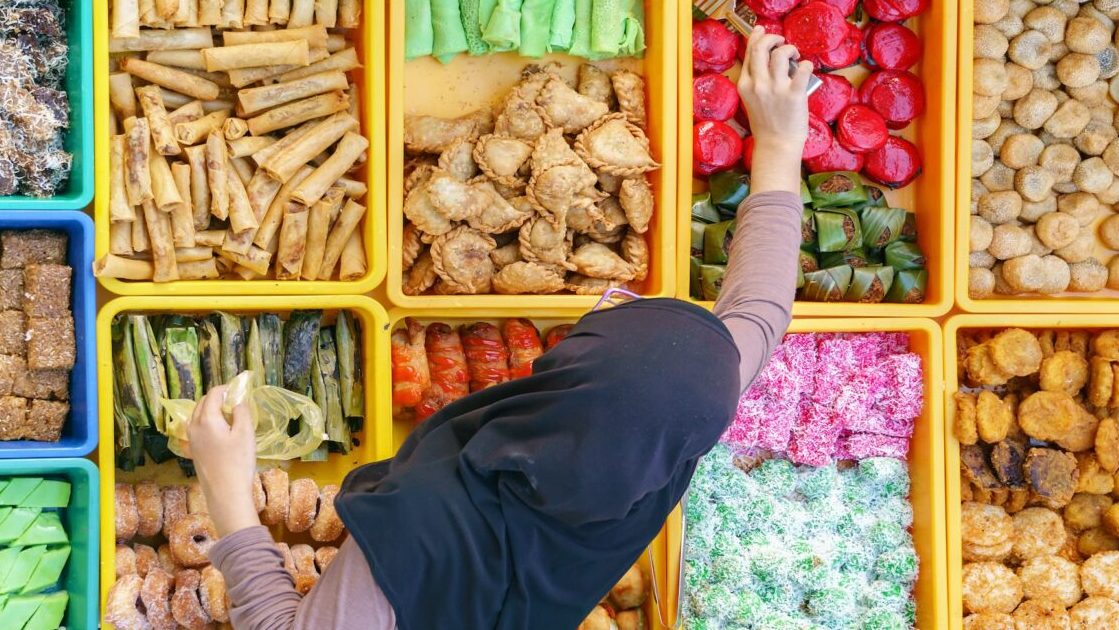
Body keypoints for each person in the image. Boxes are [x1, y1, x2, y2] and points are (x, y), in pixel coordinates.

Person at [189, 27, 811, 630]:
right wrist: (780, 147)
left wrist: (228, 491)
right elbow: (761, 310)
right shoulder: (661, 452)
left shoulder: (422, 532)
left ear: (558, 376)